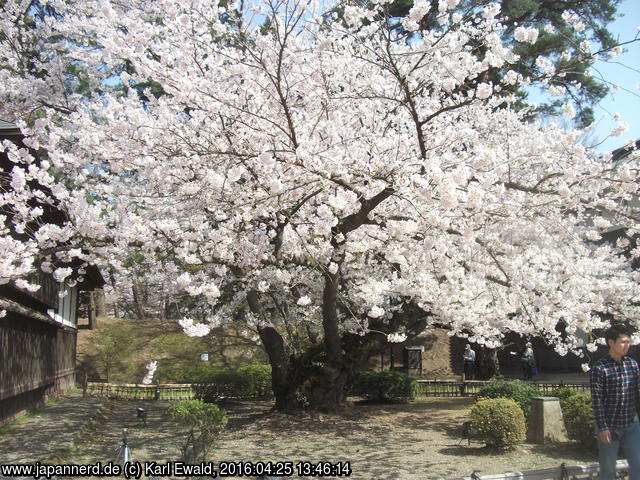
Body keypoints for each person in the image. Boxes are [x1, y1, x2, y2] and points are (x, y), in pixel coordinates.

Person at [590, 324, 640, 480]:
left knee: (638, 464)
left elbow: (638, 395)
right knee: (608, 469)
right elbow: (597, 400)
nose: (627, 345)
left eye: (628, 342)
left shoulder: (632, 365)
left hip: (631, 424)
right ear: (611, 343)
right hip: (609, 426)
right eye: (623, 342)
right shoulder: (600, 368)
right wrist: (603, 428)